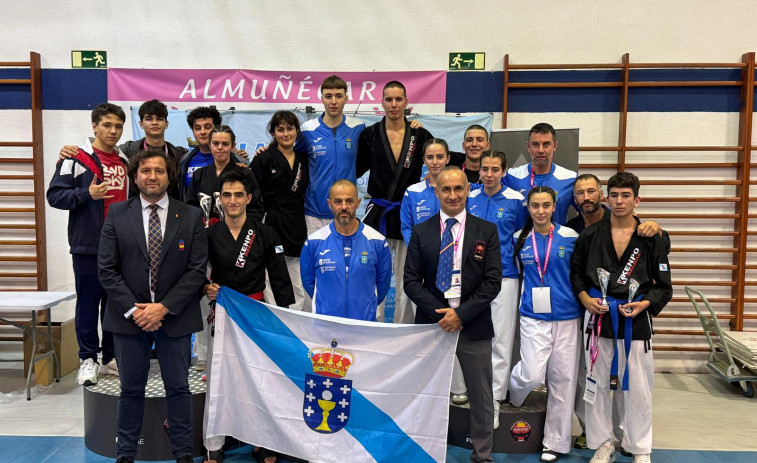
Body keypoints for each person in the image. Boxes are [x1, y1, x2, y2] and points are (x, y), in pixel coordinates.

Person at [98, 149, 207, 463]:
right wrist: (137, 311)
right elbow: (106, 269)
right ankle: (125, 454)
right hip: (128, 319)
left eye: (159, 171)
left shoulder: (190, 215)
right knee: (131, 389)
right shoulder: (117, 214)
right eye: (146, 170)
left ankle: (184, 453)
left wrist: (163, 308)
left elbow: (197, 270)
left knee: (178, 387)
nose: (152, 177)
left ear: (169, 176)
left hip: (174, 317)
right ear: (136, 176)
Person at [571, 172, 672, 463]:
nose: (619, 201)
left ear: (637, 200)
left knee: (639, 386)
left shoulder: (652, 237)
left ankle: (640, 447)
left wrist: (645, 304)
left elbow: (664, 285)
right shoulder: (590, 235)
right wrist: (585, 298)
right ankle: (603, 443)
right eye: (614, 195)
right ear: (607, 198)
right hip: (599, 316)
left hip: (635, 319)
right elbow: (576, 274)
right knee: (597, 382)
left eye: (626, 195)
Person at [404, 166, 502, 463]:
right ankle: (424, 449)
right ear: (436, 192)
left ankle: (483, 454)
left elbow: (492, 281)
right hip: (433, 328)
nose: (452, 195)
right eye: (445, 189)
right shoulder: (422, 232)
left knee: (481, 396)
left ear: (468, 190)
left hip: (473, 324)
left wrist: (461, 315)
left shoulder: (486, 230)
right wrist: (442, 315)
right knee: (427, 393)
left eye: (458, 188)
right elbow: (410, 281)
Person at [202, 170, 294, 463]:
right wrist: (205, 287)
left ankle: (261, 440)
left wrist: (285, 318)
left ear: (249, 198)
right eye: (226, 195)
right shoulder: (209, 234)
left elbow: (279, 277)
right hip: (224, 313)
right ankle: (214, 442)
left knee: (260, 379)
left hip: (256, 314)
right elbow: (195, 270)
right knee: (219, 377)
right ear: (219, 199)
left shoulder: (265, 232)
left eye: (238, 195)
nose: (232, 200)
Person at [47, 103, 128, 386]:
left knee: (115, 304)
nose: (113, 131)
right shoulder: (75, 159)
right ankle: (87, 359)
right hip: (89, 246)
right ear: (94, 126)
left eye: (118, 126)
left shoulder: (125, 161)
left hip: (121, 246)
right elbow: (55, 196)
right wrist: (86, 194)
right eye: (107, 125)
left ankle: (109, 358)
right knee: (88, 304)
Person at [508, 186, 581, 462]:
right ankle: (514, 394)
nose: (540, 211)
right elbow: (515, 274)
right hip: (533, 316)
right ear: (528, 208)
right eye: (535, 206)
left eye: (546, 206)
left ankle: (555, 442)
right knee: (532, 375)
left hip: (566, 316)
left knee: (563, 380)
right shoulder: (519, 239)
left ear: (554, 207)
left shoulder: (570, 237)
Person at [357, 80, 434, 324]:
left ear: (406, 102)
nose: (393, 104)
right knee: (370, 275)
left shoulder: (419, 134)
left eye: (398, 99)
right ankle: (372, 325)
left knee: (406, 277)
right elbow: (352, 168)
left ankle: (403, 329)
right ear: (382, 103)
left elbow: (441, 159)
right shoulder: (369, 134)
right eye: (389, 99)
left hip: (407, 214)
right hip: (377, 213)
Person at [466, 150, 527, 427]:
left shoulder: (517, 201)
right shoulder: (469, 197)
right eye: (485, 169)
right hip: (472, 278)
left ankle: (494, 399)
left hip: (505, 276)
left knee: (500, 340)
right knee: (472, 338)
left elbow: (522, 237)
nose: (489, 174)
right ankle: (471, 392)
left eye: (495, 170)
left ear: (504, 172)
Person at [300, 179, 392, 321]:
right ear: (330, 204)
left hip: (365, 325)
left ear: (358, 203)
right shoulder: (314, 242)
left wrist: (365, 306)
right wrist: (327, 306)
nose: (344, 207)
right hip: (327, 325)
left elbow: (383, 285)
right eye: (338, 201)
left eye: (349, 201)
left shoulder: (377, 241)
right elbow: (309, 282)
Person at [58, 99, 188, 199]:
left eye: (159, 119)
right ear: (141, 124)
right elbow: (100, 151)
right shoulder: (126, 151)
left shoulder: (179, 154)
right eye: (149, 119)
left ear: (167, 124)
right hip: (135, 213)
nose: (154, 123)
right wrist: (71, 151)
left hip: (170, 212)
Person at [250, 111, 309, 311]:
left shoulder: (303, 158)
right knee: (270, 276)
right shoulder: (264, 158)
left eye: (290, 128)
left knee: (297, 278)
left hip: (296, 223)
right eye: (280, 129)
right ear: (273, 132)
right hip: (271, 222)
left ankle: (297, 321)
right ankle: (276, 320)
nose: (285, 134)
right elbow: (252, 195)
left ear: (297, 131)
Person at [298, 75, 366, 234]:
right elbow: (290, 156)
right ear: (321, 98)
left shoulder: (357, 127)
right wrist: (267, 149)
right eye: (328, 96)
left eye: (338, 96)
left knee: (346, 258)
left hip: (346, 210)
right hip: (314, 212)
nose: (333, 101)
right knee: (317, 257)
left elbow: (382, 143)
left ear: (346, 98)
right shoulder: (308, 130)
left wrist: (408, 124)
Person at [186, 125, 264, 227]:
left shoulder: (245, 174)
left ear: (233, 146)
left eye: (225, 144)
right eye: (215, 143)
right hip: (205, 236)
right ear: (210, 145)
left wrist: (243, 233)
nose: (220, 148)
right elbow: (190, 209)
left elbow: (255, 210)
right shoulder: (199, 175)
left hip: (235, 235)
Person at [505, 123, 577, 225]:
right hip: (520, 240)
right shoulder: (512, 176)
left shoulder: (570, 179)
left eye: (546, 144)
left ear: (555, 146)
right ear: (528, 147)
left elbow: (587, 212)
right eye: (535, 144)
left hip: (555, 240)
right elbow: (487, 192)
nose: (541, 150)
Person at [178, 106, 248, 201]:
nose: (202, 132)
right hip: (195, 214)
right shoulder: (185, 160)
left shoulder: (238, 159)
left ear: (217, 128)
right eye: (198, 128)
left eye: (208, 127)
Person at [400, 138, 451, 246]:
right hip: (421, 256)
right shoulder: (412, 192)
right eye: (430, 157)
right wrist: (416, 251)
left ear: (448, 159)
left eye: (440, 157)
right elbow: (406, 227)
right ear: (424, 160)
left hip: (452, 254)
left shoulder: (460, 190)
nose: (435, 162)